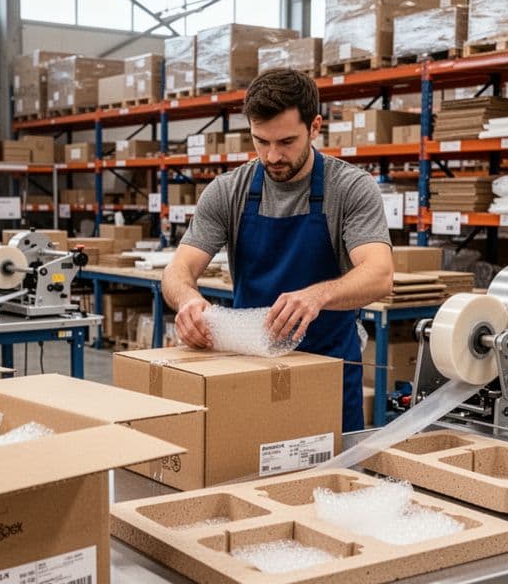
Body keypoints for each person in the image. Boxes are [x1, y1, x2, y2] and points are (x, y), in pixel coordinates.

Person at [162, 67, 393, 434]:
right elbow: (177, 272)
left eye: (286, 142)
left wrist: (318, 295)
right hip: (251, 372)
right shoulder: (227, 191)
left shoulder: (350, 187)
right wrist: (188, 302)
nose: (272, 156)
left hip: (328, 370)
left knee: (333, 478)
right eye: (260, 142)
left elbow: (379, 273)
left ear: (315, 127)